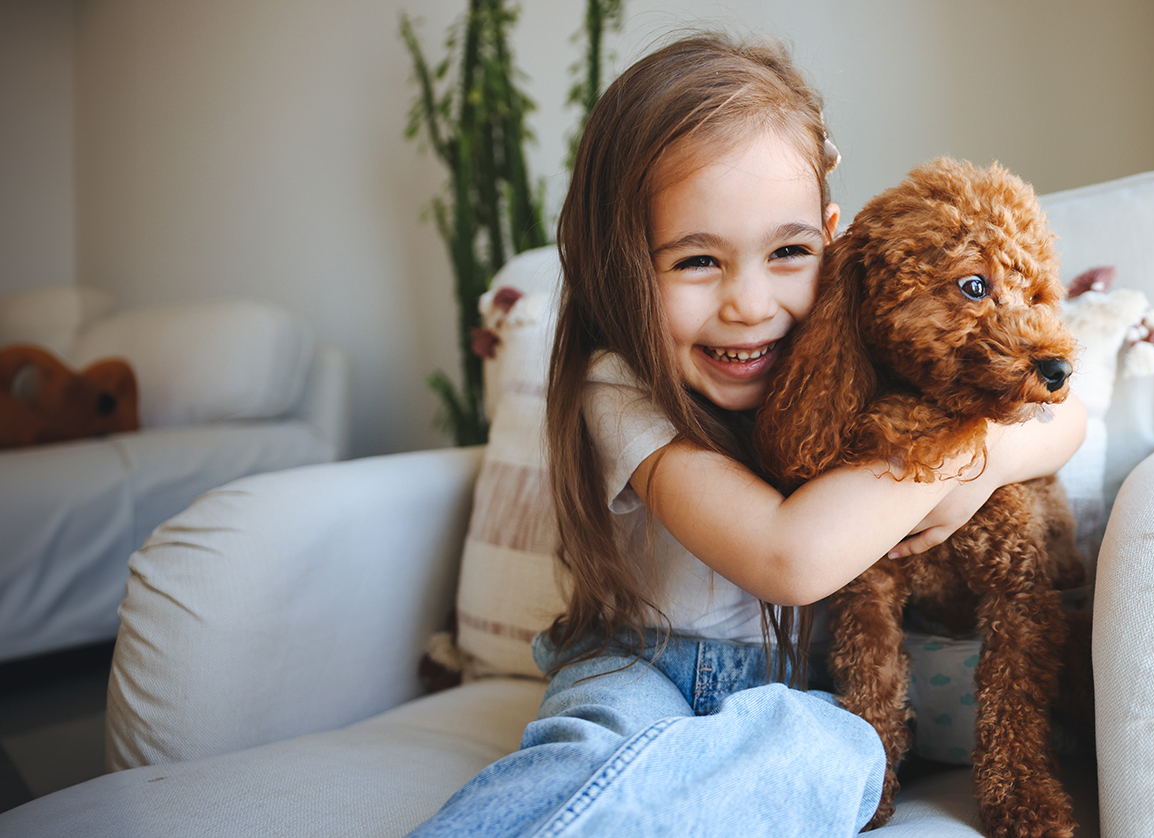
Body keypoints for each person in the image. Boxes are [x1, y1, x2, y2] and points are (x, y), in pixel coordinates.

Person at [406, 31, 1087, 838]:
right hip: (640, 663)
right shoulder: (619, 386)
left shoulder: (844, 335)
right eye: (698, 262)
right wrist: (960, 454)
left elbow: (1067, 413)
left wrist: (1000, 450)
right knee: (584, 761)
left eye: (789, 251)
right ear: (618, 266)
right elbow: (788, 559)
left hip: (804, 687)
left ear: (831, 242)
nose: (751, 304)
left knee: (839, 756)